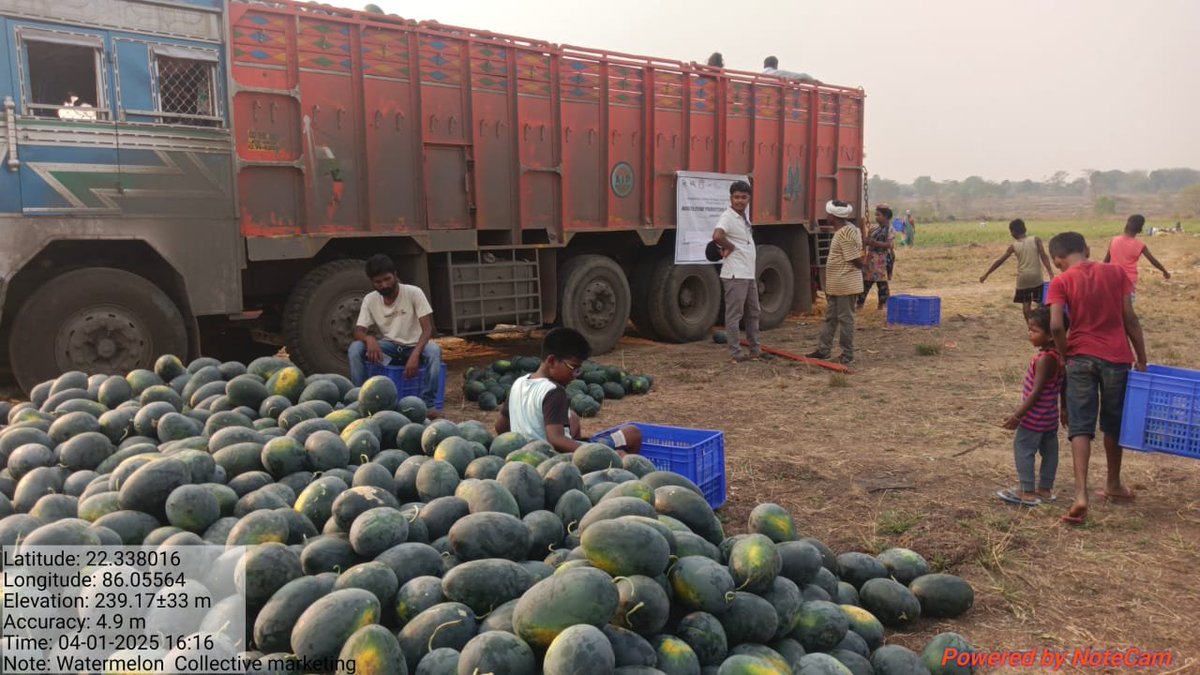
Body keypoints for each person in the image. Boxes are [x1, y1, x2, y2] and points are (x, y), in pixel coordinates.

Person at [1045, 232, 1147, 526]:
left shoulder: (1061, 281)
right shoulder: (1116, 273)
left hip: (1080, 358)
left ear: (1057, 260)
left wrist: (1065, 356)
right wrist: (1141, 357)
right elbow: (1130, 318)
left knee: (1081, 426)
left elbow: (1055, 325)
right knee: (1113, 422)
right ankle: (1113, 484)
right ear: (1087, 249)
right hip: (1117, 358)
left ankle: (1080, 494)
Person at [496, 327, 642, 454]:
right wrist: (600, 454)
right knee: (632, 433)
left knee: (572, 418)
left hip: (529, 455)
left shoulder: (518, 383)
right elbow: (556, 440)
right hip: (556, 460)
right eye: (573, 368)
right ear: (552, 361)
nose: (575, 375)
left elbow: (500, 426)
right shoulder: (554, 391)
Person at [348, 254, 443, 410]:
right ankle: (361, 399)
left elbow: (427, 329)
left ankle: (429, 406)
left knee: (434, 351)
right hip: (390, 350)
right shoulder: (370, 299)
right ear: (372, 282)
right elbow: (358, 331)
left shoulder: (414, 292)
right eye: (378, 282)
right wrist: (369, 339)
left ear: (395, 275)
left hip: (415, 347)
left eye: (387, 279)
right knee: (355, 348)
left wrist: (415, 355)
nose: (384, 285)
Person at [997, 307, 1066, 507]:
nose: (1029, 334)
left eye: (1034, 330)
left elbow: (1035, 393)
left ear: (1051, 336)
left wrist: (1018, 416)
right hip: (1049, 418)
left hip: (1033, 418)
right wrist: (1064, 408)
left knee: (1023, 449)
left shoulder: (1045, 360)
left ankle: (1027, 491)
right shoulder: (1059, 358)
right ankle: (1045, 488)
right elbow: (1064, 383)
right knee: (1050, 451)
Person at [807, 200, 863, 364]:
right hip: (838, 284)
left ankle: (847, 355)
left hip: (846, 284)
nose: (827, 216)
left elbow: (854, 259)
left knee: (845, 319)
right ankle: (823, 350)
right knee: (831, 318)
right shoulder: (847, 230)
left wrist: (865, 266)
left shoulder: (845, 233)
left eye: (828, 214)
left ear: (832, 216)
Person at [712, 180, 762, 363]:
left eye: (743, 197)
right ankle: (735, 353)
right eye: (736, 197)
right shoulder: (728, 216)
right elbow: (717, 235)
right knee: (735, 314)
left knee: (754, 312)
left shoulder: (743, 218)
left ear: (749, 198)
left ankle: (755, 350)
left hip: (748, 273)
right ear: (731, 198)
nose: (740, 201)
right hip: (735, 273)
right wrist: (730, 246)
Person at [978, 219, 1056, 321]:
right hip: (1036, 277)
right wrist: (1050, 273)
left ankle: (1030, 326)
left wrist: (986, 274)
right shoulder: (1036, 239)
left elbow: (1000, 261)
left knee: (1026, 304)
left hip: (1022, 279)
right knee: (1040, 302)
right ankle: (1042, 325)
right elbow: (1044, 256)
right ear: (1025, 229)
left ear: (1013, 232)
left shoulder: (1013, 246)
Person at [1103, 214, 1170, 301]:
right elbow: (1152, 260)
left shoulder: (1114, 240)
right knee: (1127, 306)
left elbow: (1106, 260)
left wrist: (1102, 275)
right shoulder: (1140, 246)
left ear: (1126, 225)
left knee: (1113, 302)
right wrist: (1164, 271)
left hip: (1113, 277)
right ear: (1140, 230)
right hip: (1129, 280)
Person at [858, 204, 895, 310]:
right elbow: (867, 241)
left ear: (886, 217)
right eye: (876, 215)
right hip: (872, 259)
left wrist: (874, 243)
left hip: (881, 260)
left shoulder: (890, 229)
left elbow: (889, 245)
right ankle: (860, 305)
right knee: (866, 282)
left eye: (878, 215)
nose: (876, 217)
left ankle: (882, 306)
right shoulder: (875, 228)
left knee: (881, 283)